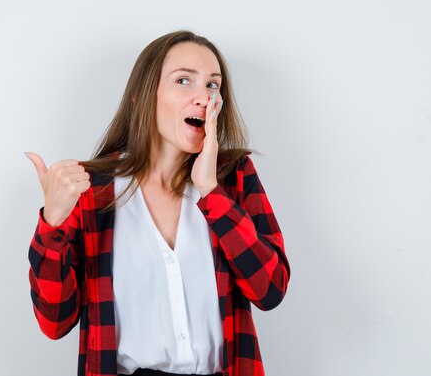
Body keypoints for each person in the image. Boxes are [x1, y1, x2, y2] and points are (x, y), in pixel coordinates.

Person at [25, 30, 291, 376]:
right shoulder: (91, 189)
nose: (203, 98)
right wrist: (54, 225)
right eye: (184, 80)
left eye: (213, 85)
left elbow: (270, 290)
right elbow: (54, 322)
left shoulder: (233, 176)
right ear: (141, 96)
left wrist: (211, 191)